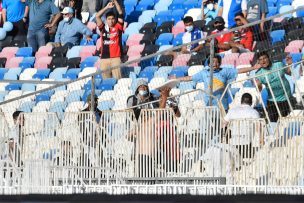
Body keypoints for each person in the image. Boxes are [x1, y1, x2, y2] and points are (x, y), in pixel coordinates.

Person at [171, 55, 255, 110]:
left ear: (220, 63)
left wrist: (253, 67)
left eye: (217, 62)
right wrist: (177, 79)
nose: (215, 63)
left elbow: (239, 71)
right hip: (209, 104)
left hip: (222, 105)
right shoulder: (204, 73)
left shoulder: (224, 71)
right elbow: (190, 78)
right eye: (213, 61)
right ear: (209, 63)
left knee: (224, 127)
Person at [253, 52, 293, 122]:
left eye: (265, 58)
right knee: (273, 122)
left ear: (269, 58)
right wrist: (258, 85)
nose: (263, 61)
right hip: (272, 100)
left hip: (286, 97)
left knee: (285, 121)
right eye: (260, 59)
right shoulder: (258, 73)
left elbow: (289, 73)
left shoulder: (279, 64)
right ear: (258, 62)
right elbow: (259, 90)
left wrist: (289, 64)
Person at [224, 93, 261, 159]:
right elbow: (258, 127)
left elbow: (224, 124)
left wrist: (226, 137)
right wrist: (261, 139)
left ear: (241, 101)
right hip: (246, 143)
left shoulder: (232, 111)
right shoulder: (254, 112)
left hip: (233, 142)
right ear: (251, 102)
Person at [95, 0, 123, 79]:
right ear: (106, 20)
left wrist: (115, 1)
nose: (111, 20)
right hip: (104, 59)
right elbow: (97, 16)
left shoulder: (118, 27)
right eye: (109, 19)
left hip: (116, 58)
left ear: (115, 19)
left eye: (113, 18)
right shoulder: (103, 28)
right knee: (106, 81)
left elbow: (120, 12)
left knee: (118, 80)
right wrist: (107, 7)